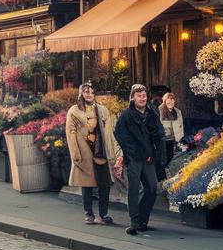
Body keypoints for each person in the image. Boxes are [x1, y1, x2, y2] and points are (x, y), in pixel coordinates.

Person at [65, 82, 121, 225]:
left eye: (91, 92)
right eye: (86, 92)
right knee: (87, 184)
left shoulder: (102, 110)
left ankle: (103, 214)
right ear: (81, 94)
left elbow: (109, 132)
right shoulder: (74, 110)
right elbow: (70, 133)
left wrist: (113, 152)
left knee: (105, 183)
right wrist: (75, 154)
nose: (89, 94)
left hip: (100, 150)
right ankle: (88, 214)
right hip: (84, 150)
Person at [114, 83, 164, 235]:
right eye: (139, 95)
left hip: (149, 157)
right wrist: (132, 153)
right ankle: (134, 222)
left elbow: (159, 134)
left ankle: (143, 219)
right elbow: (119, 134)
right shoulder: (126, 116)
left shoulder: (152, 113)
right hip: (134, 158)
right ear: (132, 97)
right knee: (134, 190)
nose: (142, 98)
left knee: (152, 188)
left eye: (144, 95)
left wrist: (159, 155)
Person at [156, 91, 184, 183]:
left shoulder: (178, 111)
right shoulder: (159, 110)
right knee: (162, 160)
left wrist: (181, 139)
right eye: (168, 100)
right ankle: (161, 179)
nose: (170, 102)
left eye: (172, 100)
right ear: (164, 101)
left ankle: (169, 179)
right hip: (162, 139)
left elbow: (181, 125)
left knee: (171, 158)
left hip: (173, 139)